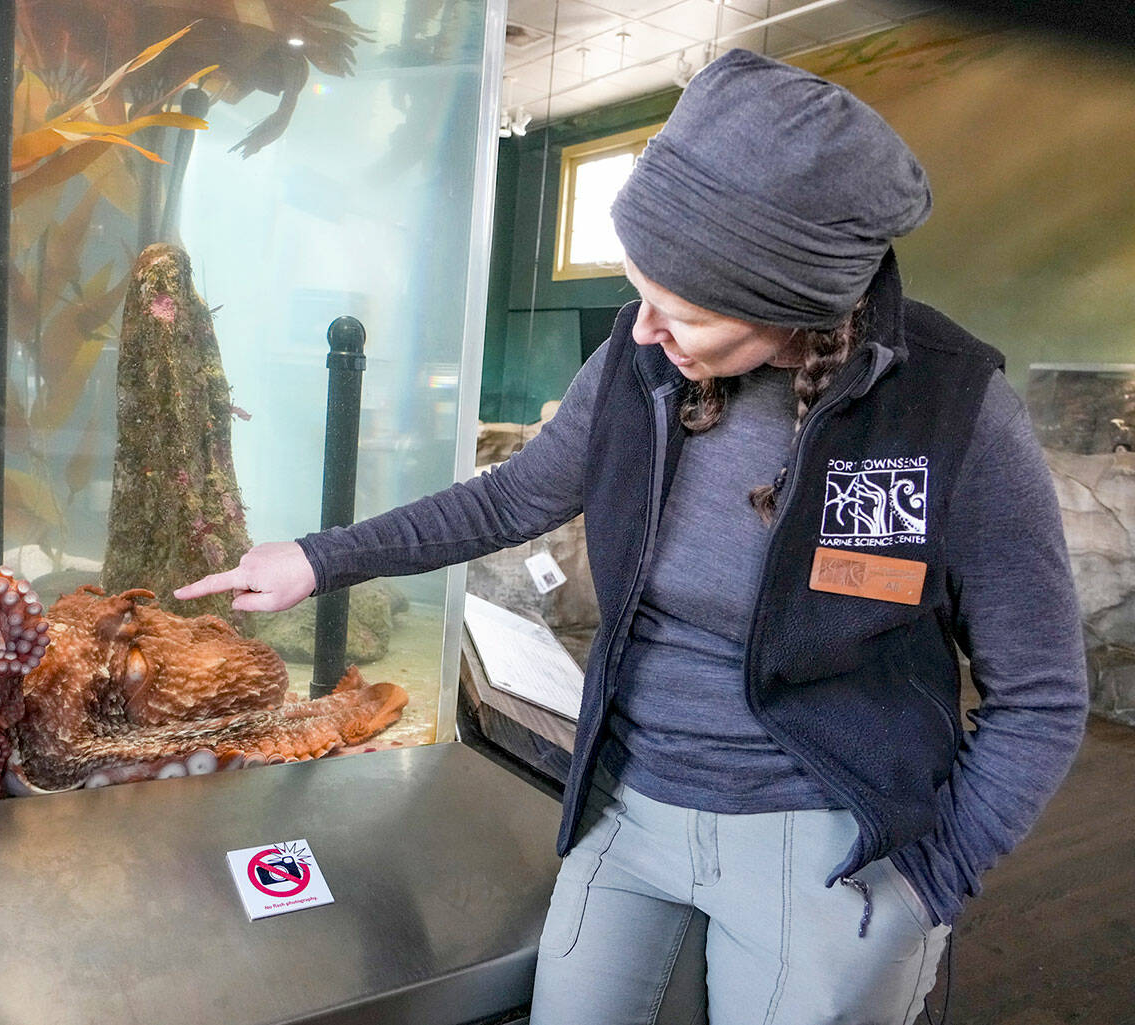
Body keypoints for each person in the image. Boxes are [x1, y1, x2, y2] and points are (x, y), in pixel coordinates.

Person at [175, 49, 1087, 1025]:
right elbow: (507, 499)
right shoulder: (639, 358)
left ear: (789, 304)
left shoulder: (950, 408)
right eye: (637, 290)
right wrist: (319, 558)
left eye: (680, 311)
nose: (641, 329)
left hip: (828, 844)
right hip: (633, 803)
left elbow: (1039, 697)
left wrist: (929, 880)